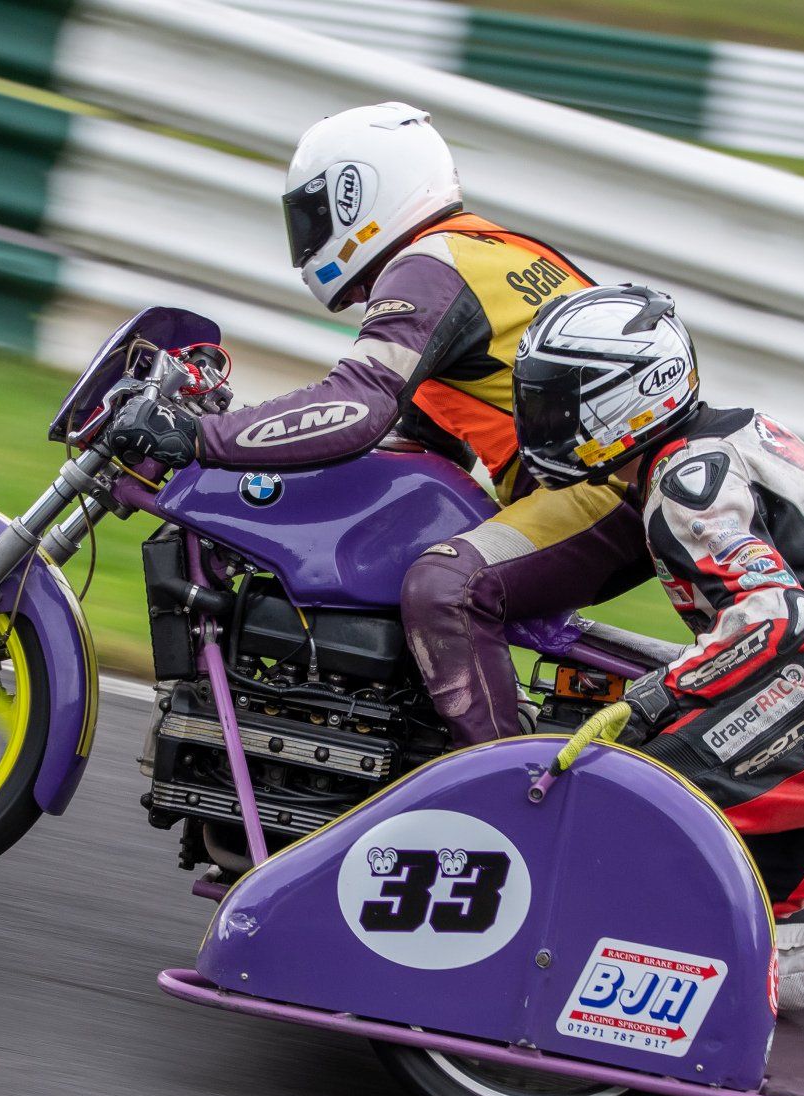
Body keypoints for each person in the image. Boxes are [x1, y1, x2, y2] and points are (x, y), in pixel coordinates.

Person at [510, 283, 804, 1057]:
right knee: (710, 922)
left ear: (627, 397)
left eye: (561, 403)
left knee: (627, 809)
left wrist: (656, 697)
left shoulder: (684, 480)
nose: (545, 422)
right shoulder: (731, 437)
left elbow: (771, 615)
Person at [106, 102, 655, 744]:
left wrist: (199, 437)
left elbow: (357, 407)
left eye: (313, 215)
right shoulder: (481, 251)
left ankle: (505, 794)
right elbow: (411, 444)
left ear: (358, 192)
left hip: (602, 493)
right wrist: (252, 454)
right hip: (610, 488)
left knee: (445, 585)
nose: (307, 237)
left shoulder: (428, 266)